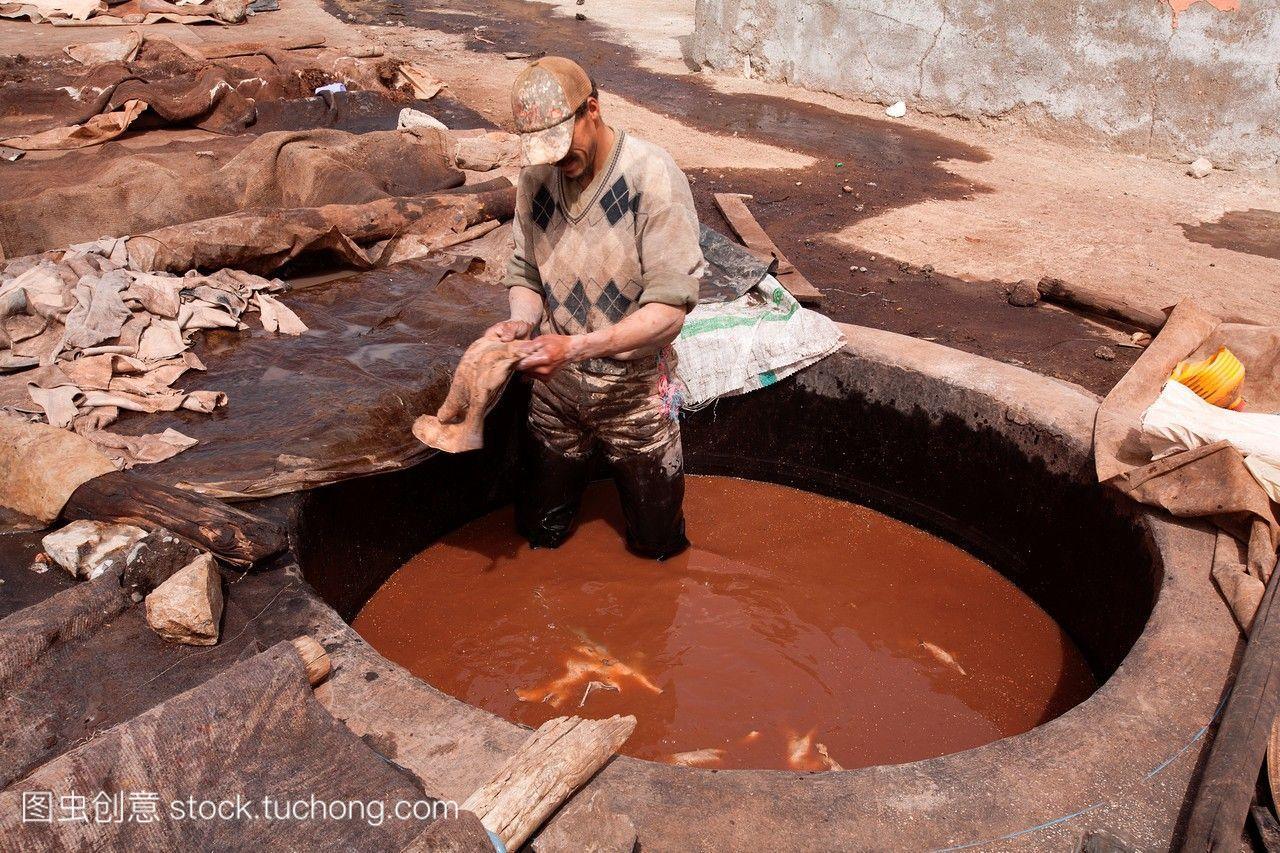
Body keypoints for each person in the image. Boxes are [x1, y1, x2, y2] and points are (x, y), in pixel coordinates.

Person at [486, 56, 704, 560]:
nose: (557, 162)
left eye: (564, 146)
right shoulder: (535, 181)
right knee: (538, 535)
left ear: (593, 110)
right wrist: (522, 321)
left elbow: (670, 309)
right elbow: (526, 273)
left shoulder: (652, 177)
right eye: (544, 152)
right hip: (556, 394)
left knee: (658, 546)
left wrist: (578, 347)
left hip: (637, 395)